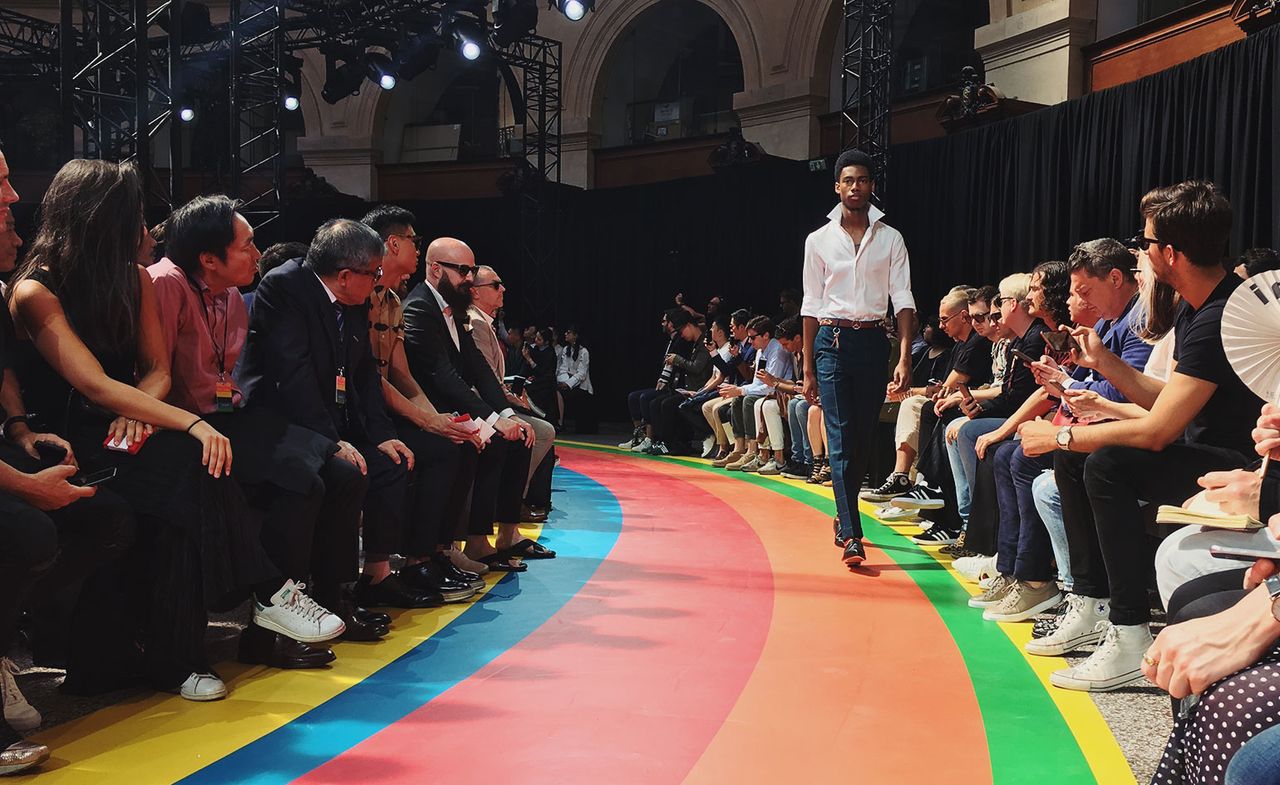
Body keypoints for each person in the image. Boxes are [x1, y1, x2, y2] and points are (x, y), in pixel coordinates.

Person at [9, 159, 250, 702]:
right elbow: (92, 385)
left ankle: (171, 655)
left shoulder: (135, 277)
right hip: (69, 437)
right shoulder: (34, 290)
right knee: (188, 471)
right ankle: (247, 604)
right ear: (103, 218)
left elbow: (157, 370)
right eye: (136, 214)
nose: (146, 226)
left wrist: (142, 411)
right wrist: (190, 423)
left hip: (129, 420)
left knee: (184, 488)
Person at [1018, 181, 1263, 692]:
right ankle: (1092, 599)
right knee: (1083, 460)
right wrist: (1104, 363)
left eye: (1147, 242)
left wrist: (1056, 438)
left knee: (1105, 461)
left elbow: (1157, 432)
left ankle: (1129, 633)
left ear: (1169, 254)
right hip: (1205, 447)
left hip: (1235, 466)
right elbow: (1169, 398)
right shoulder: (1202, 306)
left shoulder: (1220, 315)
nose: (1142, 252)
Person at [155, 195, 375, 657]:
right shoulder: (165, 285)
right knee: (301, 480)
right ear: (209, 258)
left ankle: (322, 598)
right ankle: (274, 616)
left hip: (229, 418)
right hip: (181, 426)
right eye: (247, 245)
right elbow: (154, 377)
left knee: (341, 472)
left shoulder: (233, 297)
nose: (259, 253)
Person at [238, 218, 433, 610]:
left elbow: (362, 374)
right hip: (283, 424)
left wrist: (380, 434)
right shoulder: (285, 287)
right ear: (345, 275)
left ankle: (367, 581)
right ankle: (309, 598)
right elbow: (293, 376)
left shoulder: (355, 300)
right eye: (373, 272)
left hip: (330, 422)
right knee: (344, 472)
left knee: (390, 460)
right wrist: (331, 441)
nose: (378, 280)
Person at [360, 205, 487, 596]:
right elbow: (368, 379)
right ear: (393, 244)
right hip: (363, 409)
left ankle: (431, 555)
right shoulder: (362, 299)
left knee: (454, 444)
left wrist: (442, 422)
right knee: (418, 453)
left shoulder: (394, 302)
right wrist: (427, 421)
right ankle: (386, 568)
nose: (418, 250)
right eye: (414, 242)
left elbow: (402, 375)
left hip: (386, 404)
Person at [402, 237, 547, 572]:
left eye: (471, 270)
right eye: (463, 270)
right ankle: (436, 550)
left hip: (453, 408)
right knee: (475, 444)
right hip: (431, 411)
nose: (469, 278)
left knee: (519, 438)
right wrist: (494, 420)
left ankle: (483, 540)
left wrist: (508, 416)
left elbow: (479, 370)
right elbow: (443, 376)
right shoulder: (420, 306)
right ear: (436, 269)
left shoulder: (454, 309)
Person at [802, 148, 916, 568]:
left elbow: (903, 300)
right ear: (837, 186)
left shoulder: (891, 237)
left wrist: (903, 357)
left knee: (862, 437)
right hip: (831, 341)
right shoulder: (818, 240)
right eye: (848, 181)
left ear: (871, 186)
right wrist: (808, 367)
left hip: (873, 342)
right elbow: (811, 305)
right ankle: (852, 533)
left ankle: (842, 512)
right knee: (841, 432)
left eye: (862, 180)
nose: (856, 187)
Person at [468, 264, 558, 520]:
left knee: (539, 424)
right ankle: (508, 499)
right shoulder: (476, 323)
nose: (503, 288)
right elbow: (484, 382)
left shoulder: (486, 323)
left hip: (493, 399)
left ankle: (511, 497)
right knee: (540, 431)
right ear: (475, 292)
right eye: (495, 285)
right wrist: (512, 406)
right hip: (481, 406)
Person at [557, 325, 596, 433]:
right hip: (567, 380)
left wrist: (568, 384)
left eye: (569, 333)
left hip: (581, 385)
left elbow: (582, 374)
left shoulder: (584, 352)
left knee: (560, 392)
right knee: (556, 391)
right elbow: (563, 368)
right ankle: (559, 422)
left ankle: (560, 422)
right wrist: (563, 381)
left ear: (576, 336)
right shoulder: (566, 349)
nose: (566, 334)